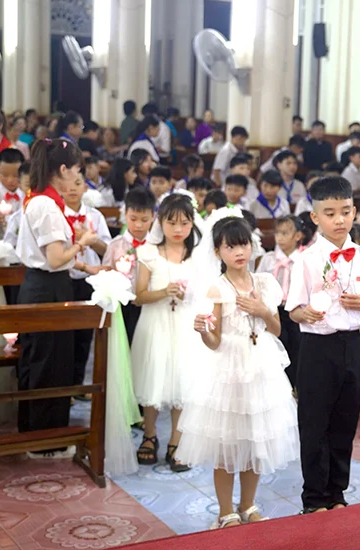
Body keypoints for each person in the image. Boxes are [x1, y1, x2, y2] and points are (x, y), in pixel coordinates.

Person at [177, 216, 299, 528]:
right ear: (218, 252)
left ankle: (247, 504)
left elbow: (276, 329)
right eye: (230, 247)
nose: (239, 252)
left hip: (261, 368)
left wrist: (262, 310)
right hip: (229, 371)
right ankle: (225, 511)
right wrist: (203, 331)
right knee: (227, 443)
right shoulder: (217, 289)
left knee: (256, 440)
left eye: (243, 244)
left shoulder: (265, 283)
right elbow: (215, 341)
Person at [285, 176, 360, 513]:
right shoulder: (306, 259)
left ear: (355, 211)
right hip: (316, 348)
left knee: (345, 422)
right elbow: (293, 310)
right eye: (330, 213)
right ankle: (314, 499)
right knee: (315, 424)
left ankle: (337, 493)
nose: (339, 220)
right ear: (315, 217)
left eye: (345, 211)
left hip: (352, 345)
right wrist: (305, 314)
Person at [15, 139, 103, 457]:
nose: (78, 177)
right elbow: (54, 259)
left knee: (44, 360)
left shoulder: (40, 198)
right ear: (63, 169)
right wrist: (84, 242)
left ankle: (35, 433)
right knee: (49, 365)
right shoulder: (48, 205)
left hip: (42, 285)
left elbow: (51, 256)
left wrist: (84, 266)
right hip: (48, 288)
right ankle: (45, 441)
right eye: (77, 170)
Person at [130, 194, 204, 472]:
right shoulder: (148, 253)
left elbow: (205, 295)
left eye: (184, 223)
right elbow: (139, 296)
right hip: (155, 324)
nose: (178, 229)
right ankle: (149, 435)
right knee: (154, 379)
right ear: (160, 222)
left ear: (192, 223)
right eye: (171, 223)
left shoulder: (198, 257)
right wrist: (163, 292)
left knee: (181, 384)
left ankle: (177, 440)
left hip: (185, 326)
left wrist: (189, 296)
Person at [62, 172, 112, 390]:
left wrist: (89, 240)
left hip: (89, 279)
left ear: (85, 187)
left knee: (84, 335)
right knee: (65, 335)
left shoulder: (95, 216)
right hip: (63, 278)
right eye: (67, 184)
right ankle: (65, 387)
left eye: (78, 183)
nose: (72, 189)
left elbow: (107, 249)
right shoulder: (55, 215)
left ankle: (78, 385)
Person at [257, 215, 307, 388]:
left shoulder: (304, 258)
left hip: (296, 310)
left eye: (285, 233)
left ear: (298, 236)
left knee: (297, 348)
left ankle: (296, 387)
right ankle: (279, 387)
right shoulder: (268, 258)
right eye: (277, 233)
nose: (279, 237)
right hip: (273, 311)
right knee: (277, 346)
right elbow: (259, 282)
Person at [102, 187, 157, 343]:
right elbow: (106, 274)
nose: (138, 225)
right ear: (125, 214)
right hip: (123, 306)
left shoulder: (157, 246)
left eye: (144, 220)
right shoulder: (115, 245)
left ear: (153, 216)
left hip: (149, 305)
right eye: (133, 219)